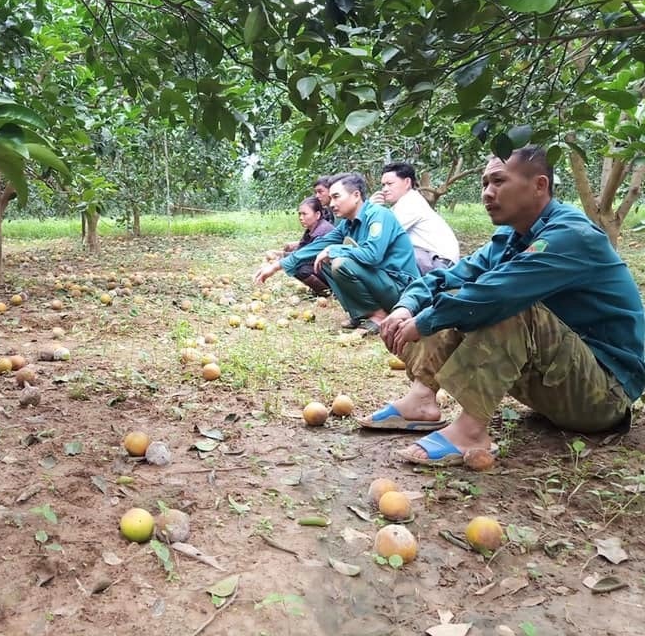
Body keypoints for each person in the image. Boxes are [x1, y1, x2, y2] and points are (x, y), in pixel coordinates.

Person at [361, 146, 645, 467]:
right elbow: (448, 277)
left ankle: (470, 433)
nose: (487, 192)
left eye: (498, 181)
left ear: (539, 185)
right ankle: (421, 399)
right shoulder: (511, 238)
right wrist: (406, 306)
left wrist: (425, 321)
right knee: (458, 293)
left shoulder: (572, 235)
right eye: (484, 183)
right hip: (555, 381)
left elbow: (499, 294)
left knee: (505, 303)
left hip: (603, 395)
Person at [255, 173, 420, 334]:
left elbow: (372, 254)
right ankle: (360, 312)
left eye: (336, 197)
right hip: (381, 283)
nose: (331, 204)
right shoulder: (347, 224)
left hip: (401, 289)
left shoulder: (378, 215)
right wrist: (276, 266)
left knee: (340, 262)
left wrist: (333, 250)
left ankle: (378, 315)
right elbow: (318, 245)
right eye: (331, 198)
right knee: (324, 261)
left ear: (356, 195)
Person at [371, 163, 460, 274]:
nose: (385, 189)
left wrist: (370, 209)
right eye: (383, 185)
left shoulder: (411, 203)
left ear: (407, 182)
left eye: (390, 184)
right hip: (428, 257)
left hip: (439, 263)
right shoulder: (402, 204)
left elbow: (381, 236)